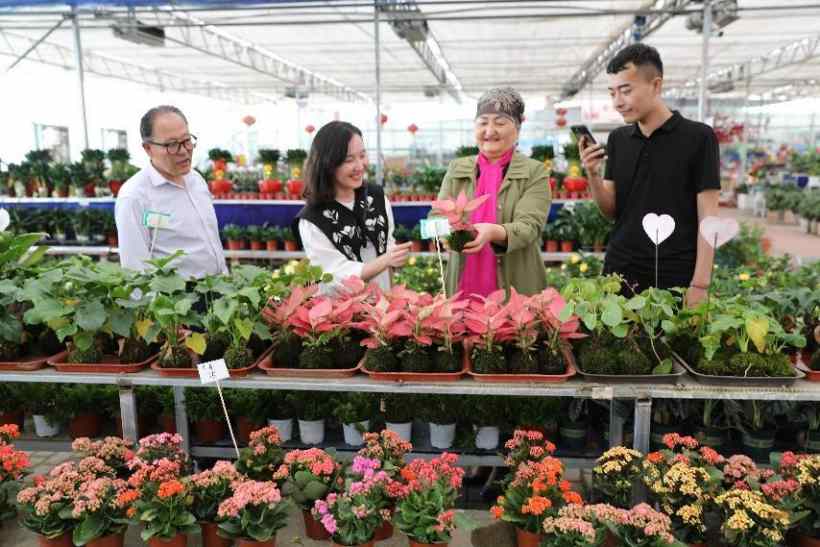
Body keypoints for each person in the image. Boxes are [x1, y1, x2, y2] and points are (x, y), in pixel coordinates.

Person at [580, 44, 720, 305]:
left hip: (675, 272)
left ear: (656, 85)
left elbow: (709, 216)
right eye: (612, 93)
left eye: (626, 91)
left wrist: (700, 283)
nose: (617, 102)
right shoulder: (618, 139)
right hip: (620, 270)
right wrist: (593, 174)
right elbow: (611, 210)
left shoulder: (698, 138)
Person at [437, 87, 550, 298]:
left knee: (516, 319)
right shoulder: (457, 168)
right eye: (483, 122)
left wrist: (493, 232)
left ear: (517, 128)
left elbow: (529, 227)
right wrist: (445, 232)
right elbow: (434, 218)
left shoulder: (534, 172)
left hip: (516, 291)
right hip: (461, 288)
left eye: (500, 123)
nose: (489, 131)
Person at [294, 121, 411, 293]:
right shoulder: (313, 219)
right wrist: (386, 260)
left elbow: (387, 247)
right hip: (339, 307)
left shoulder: (376, 197)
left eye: (362, 155)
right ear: (327, 164)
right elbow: (336, 274)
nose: (360, 166)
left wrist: (392, 291)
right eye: (349, 160)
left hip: (382, 303)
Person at [115, 105, 227, 279]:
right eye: (172, 145)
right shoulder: (135, 197)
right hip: (178, 294)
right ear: (148, 148)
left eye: (186, 140)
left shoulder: (196, 180)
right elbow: (135, 270)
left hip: (218, 287)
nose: (183, 151)